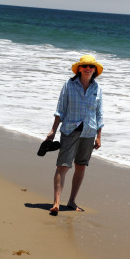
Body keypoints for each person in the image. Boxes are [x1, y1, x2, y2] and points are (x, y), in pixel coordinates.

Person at [46, 55, 104, 215]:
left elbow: (99, 114)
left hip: (89, 132)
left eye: (91, 66)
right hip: (70, 130)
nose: (88, 68)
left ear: (95, 70)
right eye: (85, 65)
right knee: (62, 165)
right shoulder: (69, 85)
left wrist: (99, 136)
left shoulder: (97, 89)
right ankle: (56, 203)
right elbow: (60, 110)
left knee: (80, 166)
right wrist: (53, 130)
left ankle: (71, 201)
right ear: (79, 68)